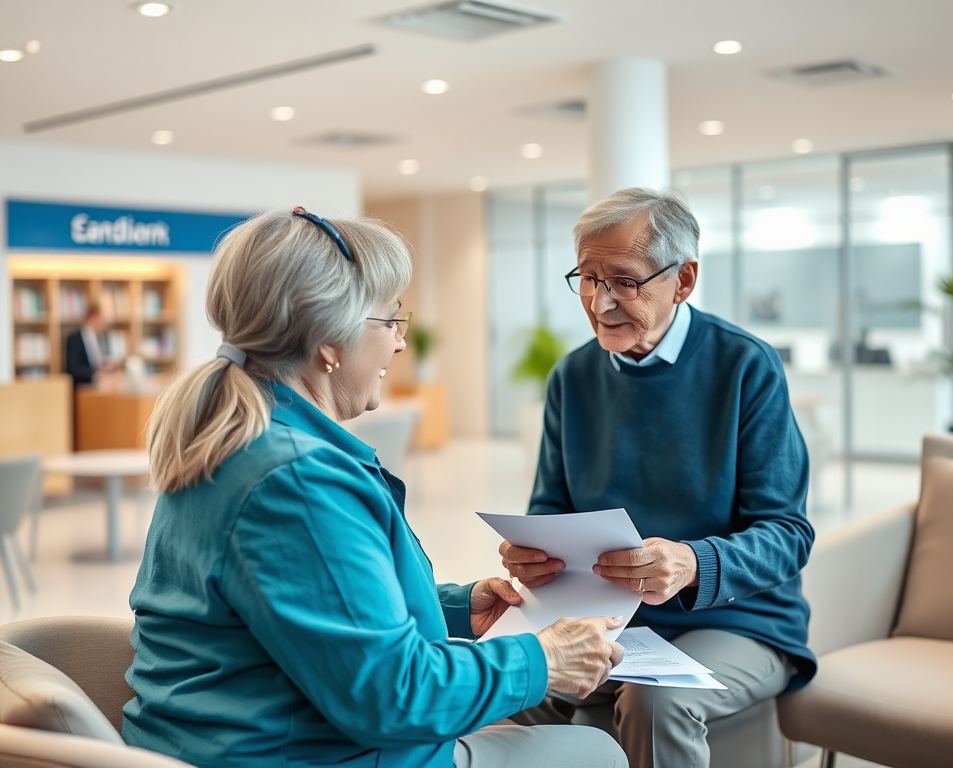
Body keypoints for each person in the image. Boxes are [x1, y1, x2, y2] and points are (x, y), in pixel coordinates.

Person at [123, 207, 629, 768]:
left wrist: (459, 609)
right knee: (594, 751)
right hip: (314, 755)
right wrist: (543, 658)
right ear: (330, 342)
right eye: (390, 321)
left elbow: (311, 604)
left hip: (236, 738)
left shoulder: (233, 440)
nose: (399, 344)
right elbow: (391, 697)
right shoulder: (297, 484)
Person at [501, 188, 817, 768]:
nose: (600, 302)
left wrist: (694, 563)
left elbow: (789, 533)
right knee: (503, 679)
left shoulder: (746, 366)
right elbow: (551, 506)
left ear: (684, 279)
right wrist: (534, 552)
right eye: (588, 279)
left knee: (654, 701)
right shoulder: (572, 376)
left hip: (738, 620)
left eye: (624, 280)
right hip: (613, 618)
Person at [65, 304, 107, 385]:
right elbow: (72, 367)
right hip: (82, 385)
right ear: (92, 317)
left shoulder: (99, 338)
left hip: (99, 383)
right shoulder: (74, 339)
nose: (103, 322)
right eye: (101, 318)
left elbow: (97, 362)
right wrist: (94, 374)